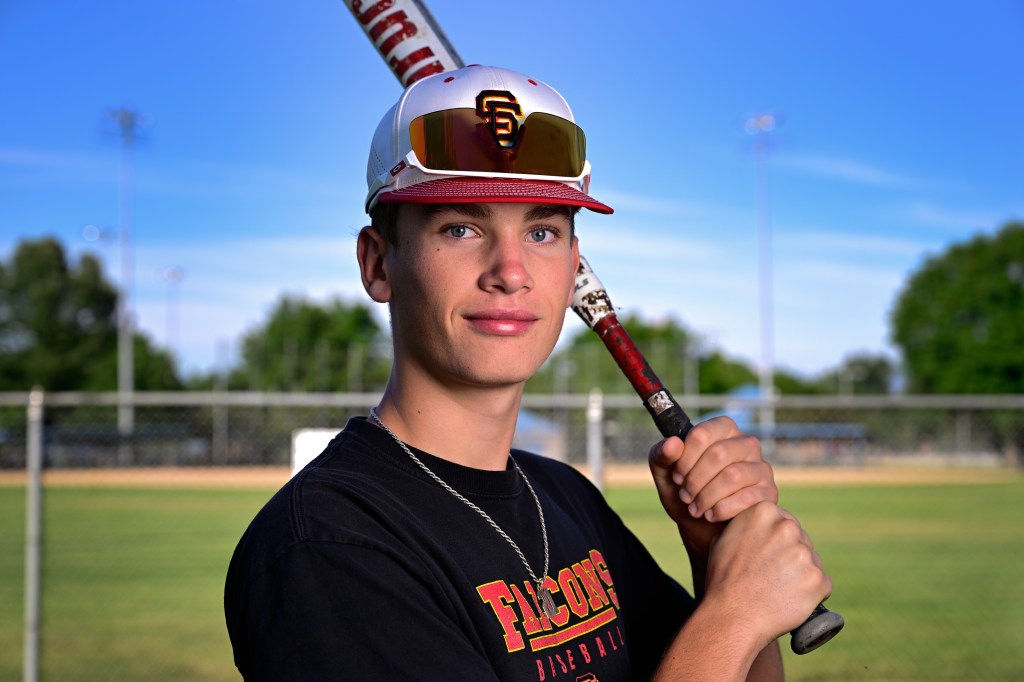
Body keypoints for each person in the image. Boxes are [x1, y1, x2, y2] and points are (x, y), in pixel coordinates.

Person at [224, 64, 832, 680]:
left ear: (573, 266)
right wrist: (731, 618)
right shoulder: (326, 548)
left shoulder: (566, 497)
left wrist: (715, 563)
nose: (510, 271)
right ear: (378, 264)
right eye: (461, 228)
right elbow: (719, 643)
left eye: (541, 230)